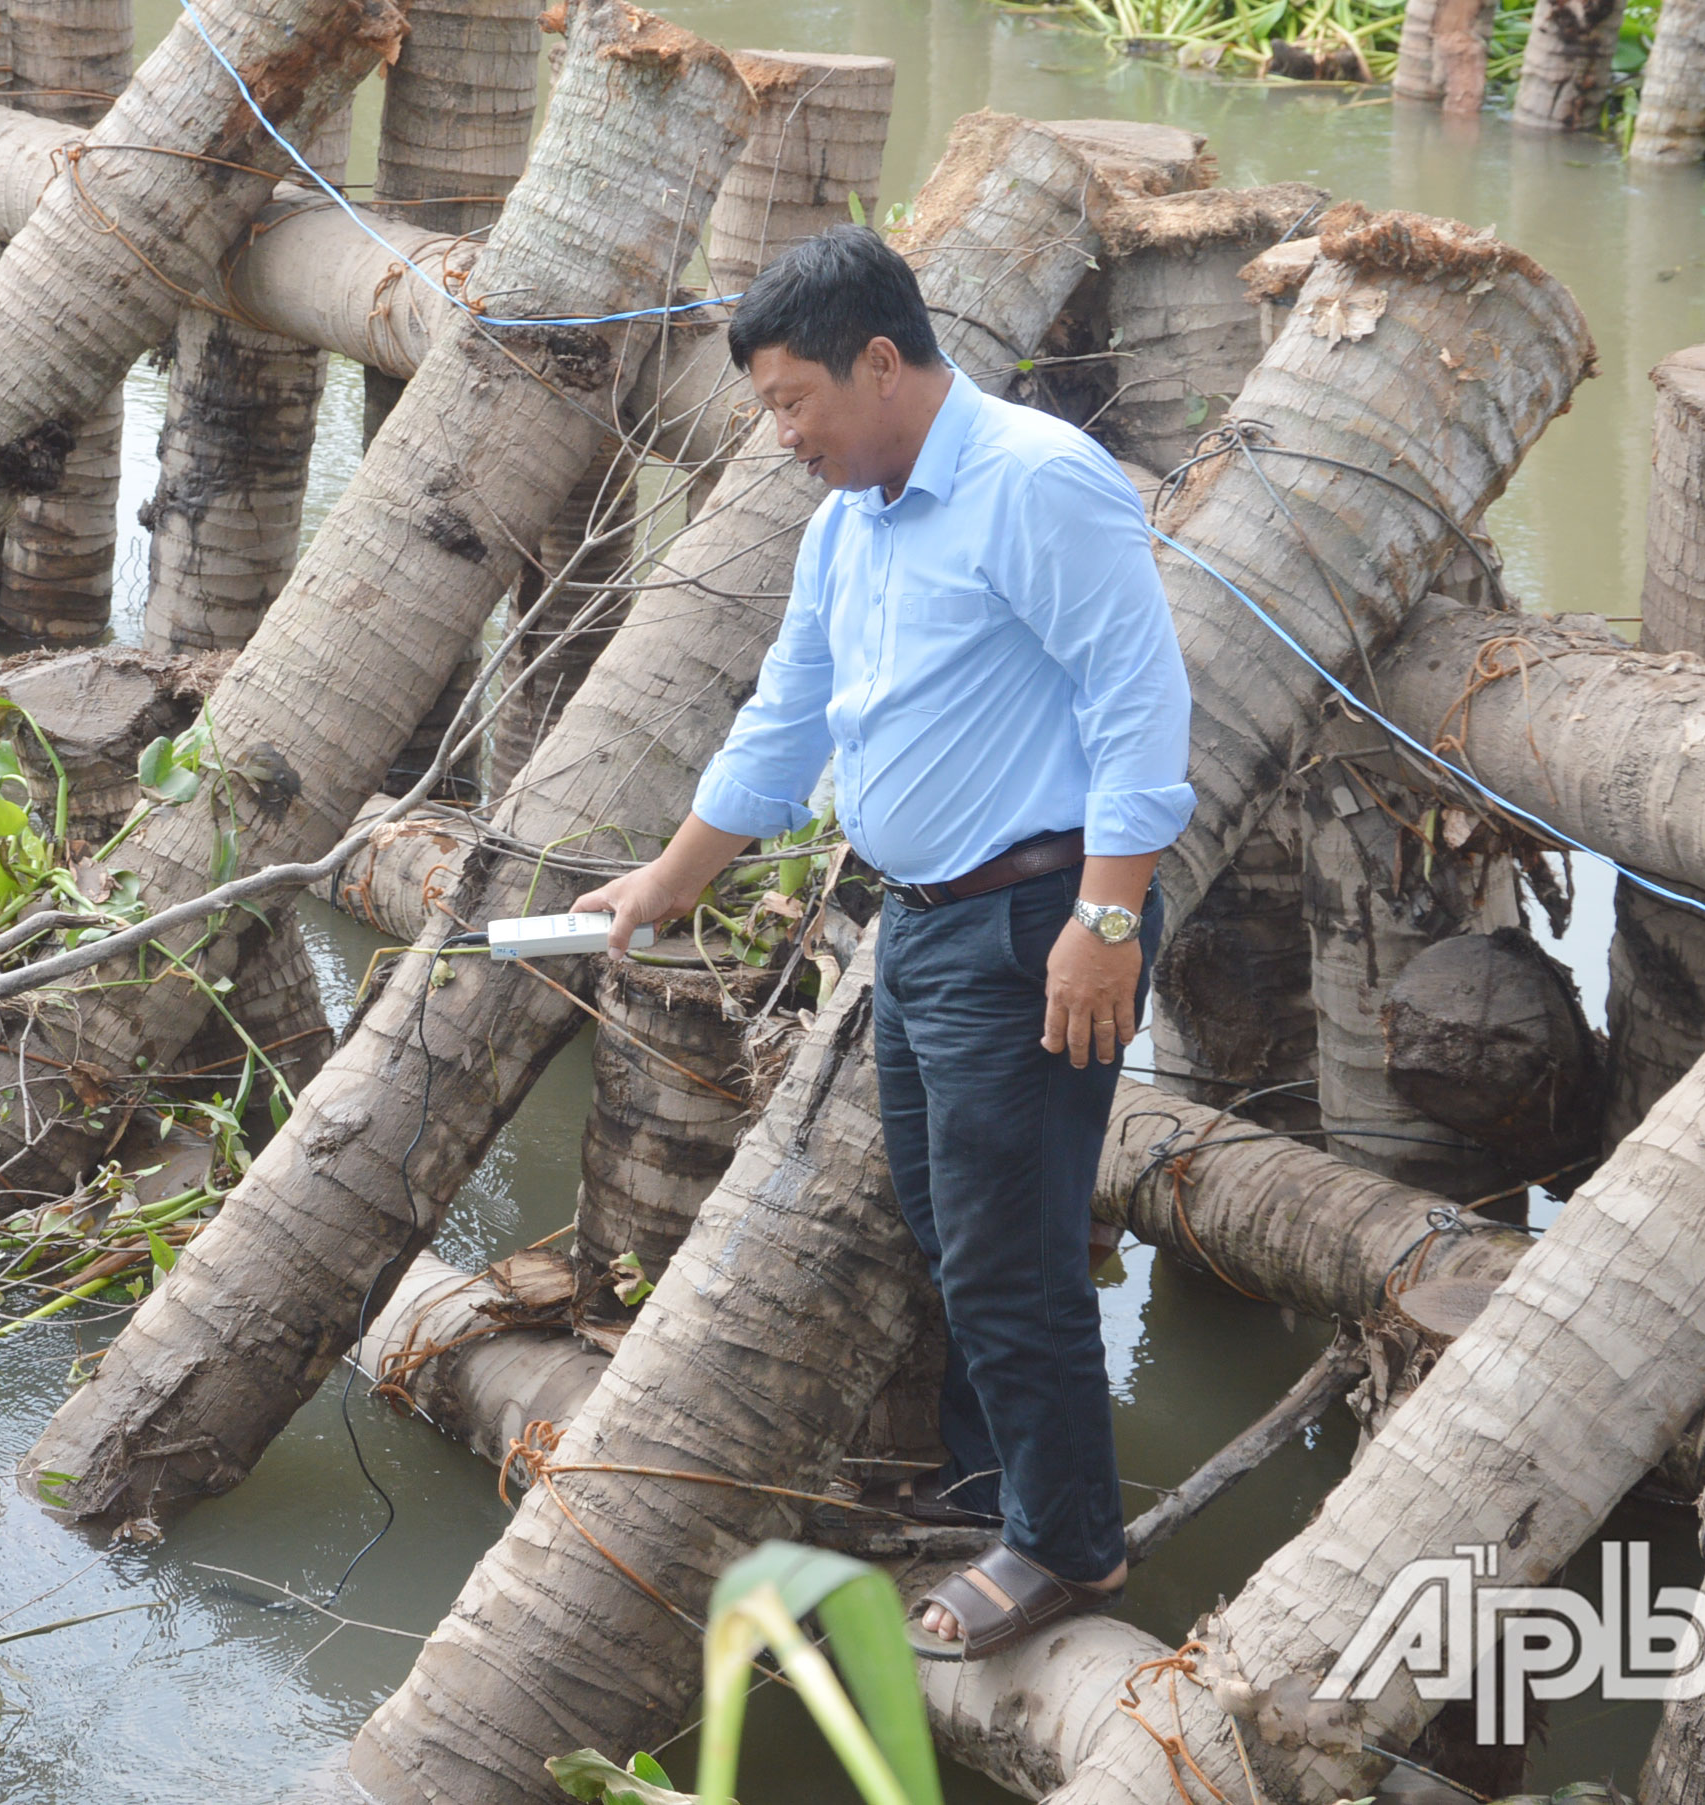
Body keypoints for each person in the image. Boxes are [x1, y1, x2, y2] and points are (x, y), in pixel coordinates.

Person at [572, 225, 1194, 1662]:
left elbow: (1139, 706)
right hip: (918, 928)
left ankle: (1066, 1545)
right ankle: (997, 1489)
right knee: (950, 1221)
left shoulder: (1038, 485)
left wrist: (1106, 921)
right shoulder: (848, 519)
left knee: (1009, 1243)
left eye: (795, 400)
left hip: (1038, 921)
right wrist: (666, 879)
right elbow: (785, 722)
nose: (781, 433)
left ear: (882, 360)